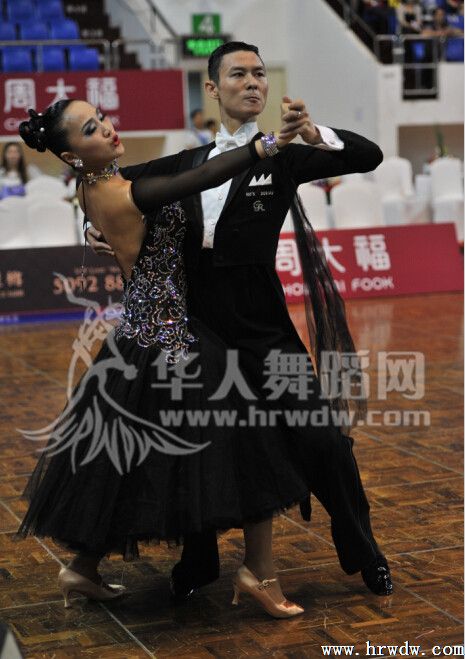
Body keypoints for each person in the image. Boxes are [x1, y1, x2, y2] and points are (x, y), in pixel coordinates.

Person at [86, 41, 393, 607]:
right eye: (238, 74)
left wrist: (312, 133)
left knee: (321, 437)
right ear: (212, 87)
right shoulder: (186, 162)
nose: (253, 82)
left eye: (259, 73)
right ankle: (198, 560)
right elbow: (112, 188)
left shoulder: (285, 157)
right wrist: (95, 228)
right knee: (197, 445)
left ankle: (362, 545)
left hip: (261, 323)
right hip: (195, 322)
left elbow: (367, 156)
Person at [14, 98, 308, 617]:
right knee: (251, 444)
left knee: (122, 463)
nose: (108, 129)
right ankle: (259, 572)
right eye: (91, 129)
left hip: (140, 338)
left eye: (102, 118)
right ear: (72, 155)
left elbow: (157, 194)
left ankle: (82, 568)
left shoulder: (93, 188)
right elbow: (201, 176)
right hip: (174, 342)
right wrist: (267, 146)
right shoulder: (127, 192)